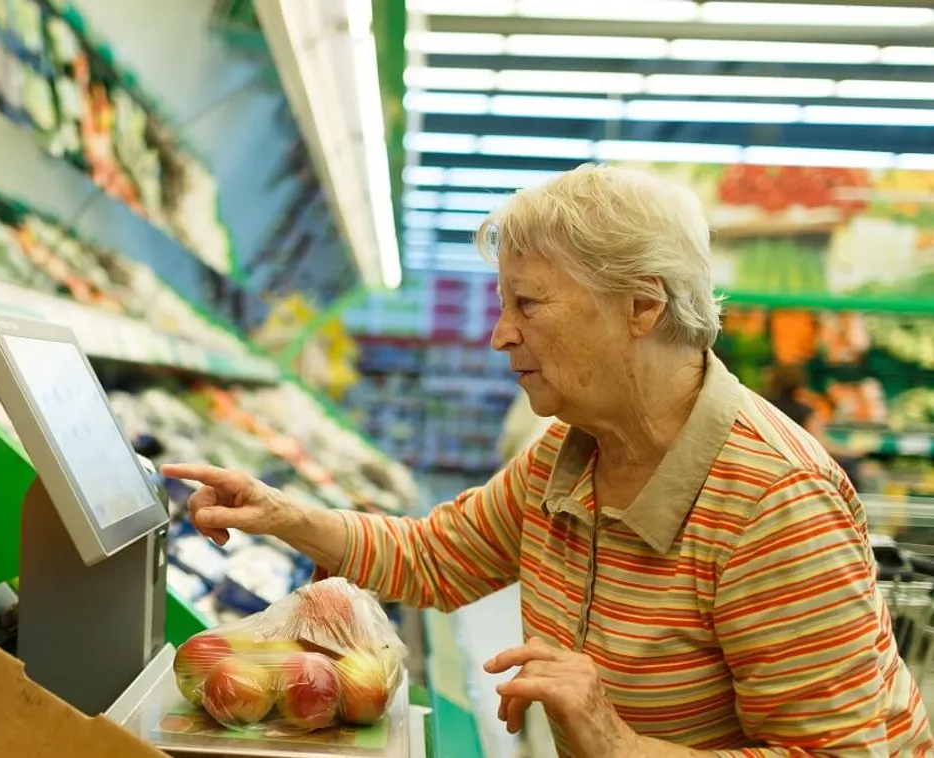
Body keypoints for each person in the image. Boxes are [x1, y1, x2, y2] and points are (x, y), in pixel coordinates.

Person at [164, 164, 933, 757]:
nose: (499, 335)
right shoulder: (570, 457)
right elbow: (435, 558)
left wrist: (615, 739)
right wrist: (284, 514)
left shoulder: (772, 504)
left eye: (526, 304)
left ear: (642, 305)